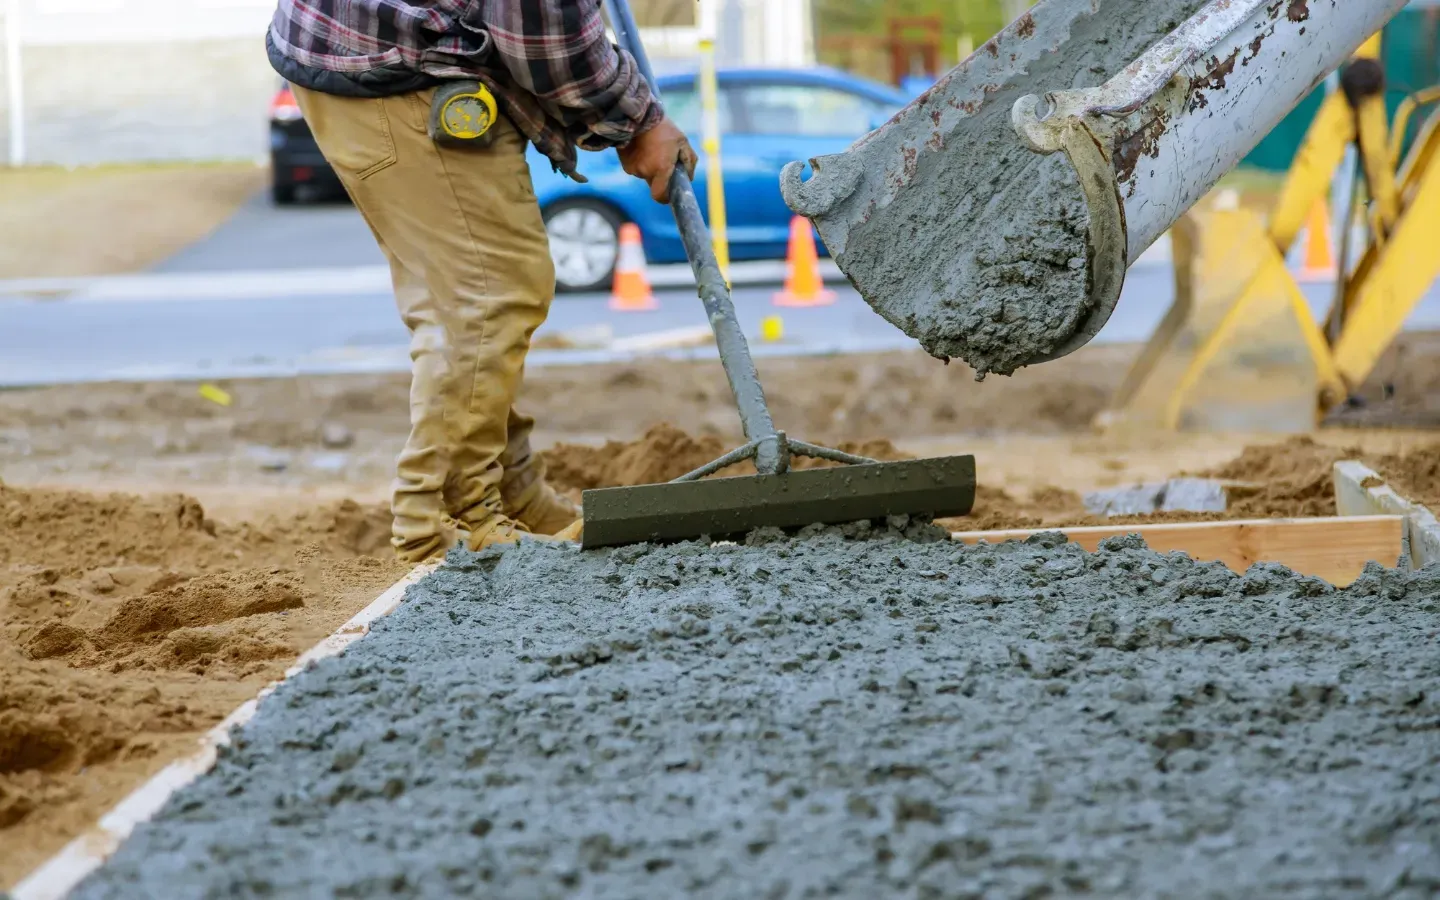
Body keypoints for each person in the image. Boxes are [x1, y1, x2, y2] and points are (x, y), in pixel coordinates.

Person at [266, 0, 697, 563]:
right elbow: (542, 30)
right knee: (485, 296)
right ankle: (450, 522)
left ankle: (508, 493)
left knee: (470, 294)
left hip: (368, 48)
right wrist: (637, 120)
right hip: (396, 70)